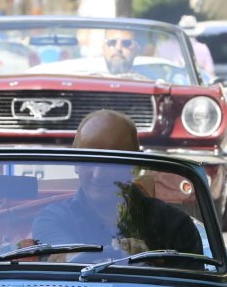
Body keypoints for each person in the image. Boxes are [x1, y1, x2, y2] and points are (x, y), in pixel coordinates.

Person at [30, 109, 202, 261]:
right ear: (75, 163)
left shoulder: (175, 225)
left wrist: (149, 262)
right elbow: (63, 258)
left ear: (135, 165)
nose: (98, 175)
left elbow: (191, 285)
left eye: (111, 163)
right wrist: (122, 256)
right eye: (88, 161)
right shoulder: (53, 219)